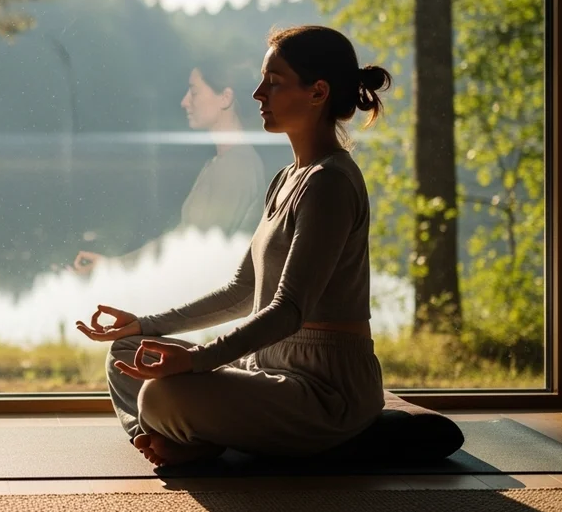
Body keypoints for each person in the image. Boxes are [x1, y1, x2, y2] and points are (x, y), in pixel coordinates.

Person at [75, 25, 392, 467]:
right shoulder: (287, 178)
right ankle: (175, 438)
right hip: (264, 369)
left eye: (274, 82)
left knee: (161, 392)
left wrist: (196, 362)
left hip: (323, 389)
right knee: (127, 355)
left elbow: (289, 310)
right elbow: (242, 291)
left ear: (318, 92)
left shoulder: (330, 183)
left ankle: (181, 437)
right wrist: (143, 325)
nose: (258, 93)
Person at [71, 58, 266, 275]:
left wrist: (114, 270)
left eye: (194, 92)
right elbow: (181, 243)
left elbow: (196, 256)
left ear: (225, 98)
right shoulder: (222, 163)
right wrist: (112, 267)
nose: (185, 101)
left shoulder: (236, 167)